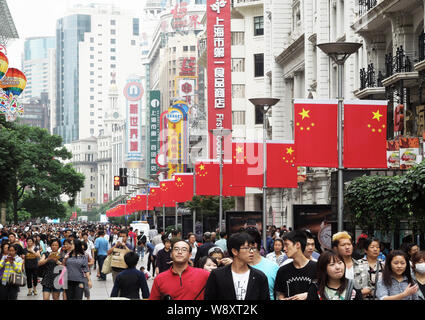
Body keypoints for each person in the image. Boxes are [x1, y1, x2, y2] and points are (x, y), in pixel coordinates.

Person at [204, 232, 270, 300]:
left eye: (252, 248)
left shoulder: (259, 277)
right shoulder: (217, 275)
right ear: (234, 251)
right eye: (246, 248)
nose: (251, 251)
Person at [275, 230, 317, 300]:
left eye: (286, 245)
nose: (284, 249)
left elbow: (323, 291)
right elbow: (280, 294)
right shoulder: (282, 270)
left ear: (297, 245)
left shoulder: (317, 268)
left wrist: (308, 295)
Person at [245, 227, 279, 300]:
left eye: (244, 246)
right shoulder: (238, 267)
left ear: (254, 245)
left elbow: (279, 294)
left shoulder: (273, 267)